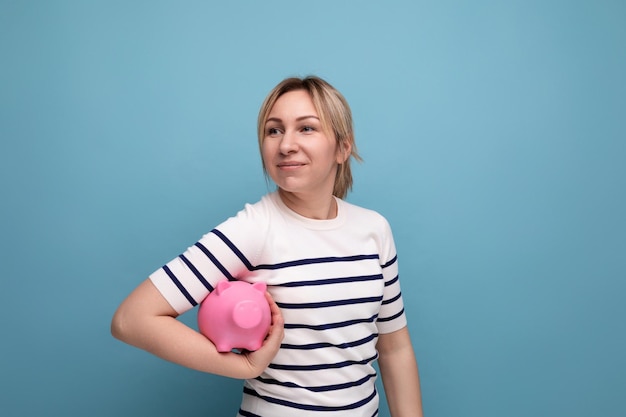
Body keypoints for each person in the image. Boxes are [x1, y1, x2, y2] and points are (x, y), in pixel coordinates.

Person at [111, 76, 424, 417]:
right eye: (274, 130)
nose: (286, 145)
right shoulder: (254, 229)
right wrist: (244, 367)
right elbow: (131, 319)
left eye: (306, 128)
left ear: (343, 147)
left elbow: (394, 348)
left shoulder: (374, 229)